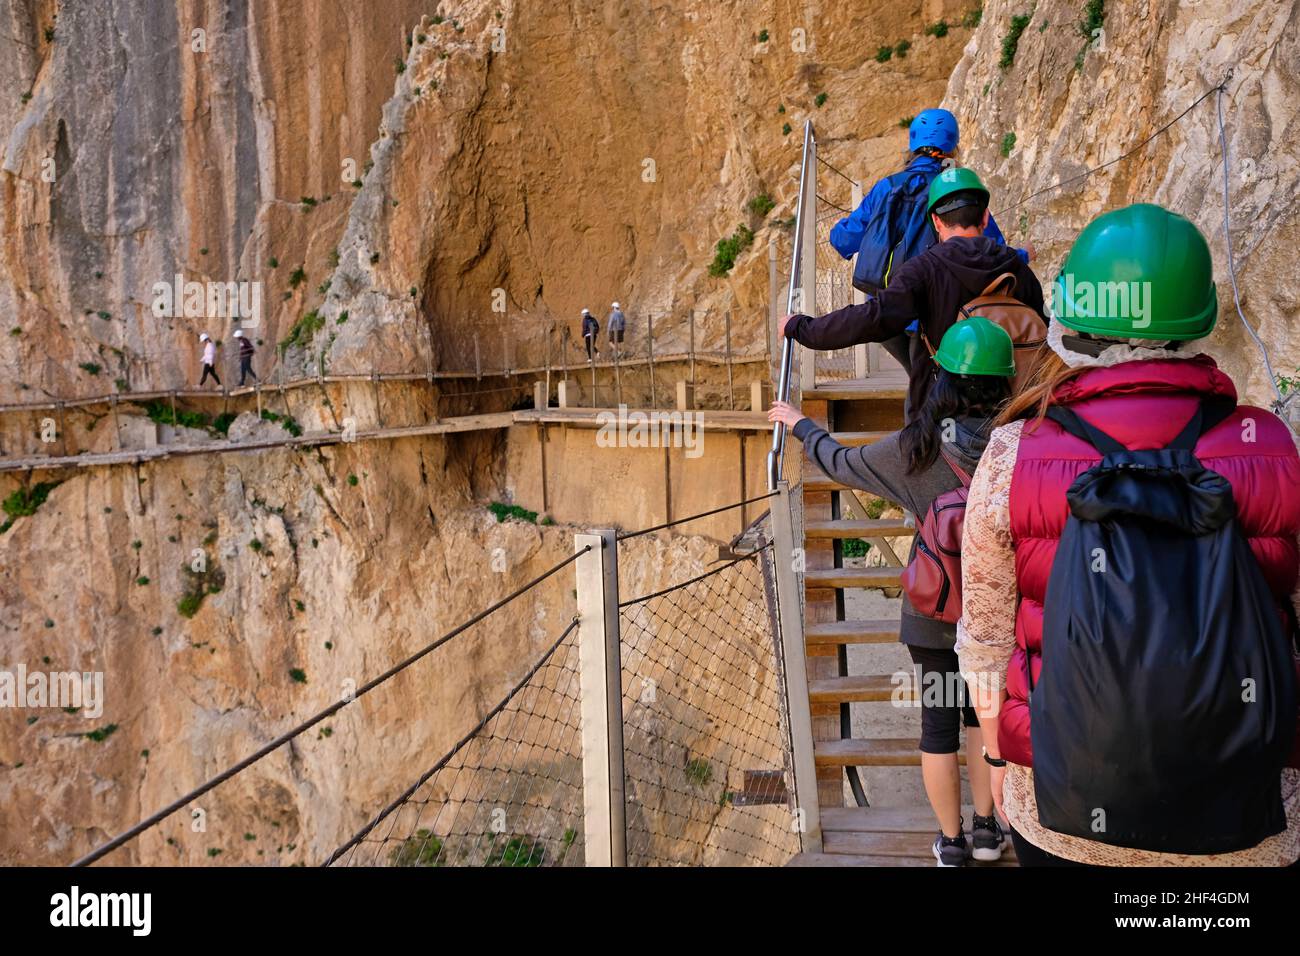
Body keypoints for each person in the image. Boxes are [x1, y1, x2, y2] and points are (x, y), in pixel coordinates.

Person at [957, 203, 1300, 866]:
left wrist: (1001, 753)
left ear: (1075, 322)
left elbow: (986, 645)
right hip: (1251, 817)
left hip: (1064, 809)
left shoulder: (1011, 456)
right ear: (1200, 321)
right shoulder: (1274, 450)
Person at [769, 316, 1016, 866]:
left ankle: (949, 844)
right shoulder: (1019, 448)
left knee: (938, 727)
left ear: (942, 381)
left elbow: (840, 463)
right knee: (983, 717)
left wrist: (801, 424)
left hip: (932, 613)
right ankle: (986, 832)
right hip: (998, 616)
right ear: (1006, 382)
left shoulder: (916, 448)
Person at [782, 167, 1045, 421]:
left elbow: (871, 318)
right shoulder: (1016, 268)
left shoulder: (925, 270)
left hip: (941, 414)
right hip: (1011, 408)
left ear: (936, 221)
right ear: (985, 218)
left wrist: (802, 327)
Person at [828, 108, 1034, 369]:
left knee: (920, 379)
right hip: (937, 311)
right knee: (931, 379)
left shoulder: (887, 187)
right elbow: (993, 253)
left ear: (913, 146)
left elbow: (842, 239)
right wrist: (1025, 254)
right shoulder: (956, 190)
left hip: (887, 310)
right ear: (953, 148)